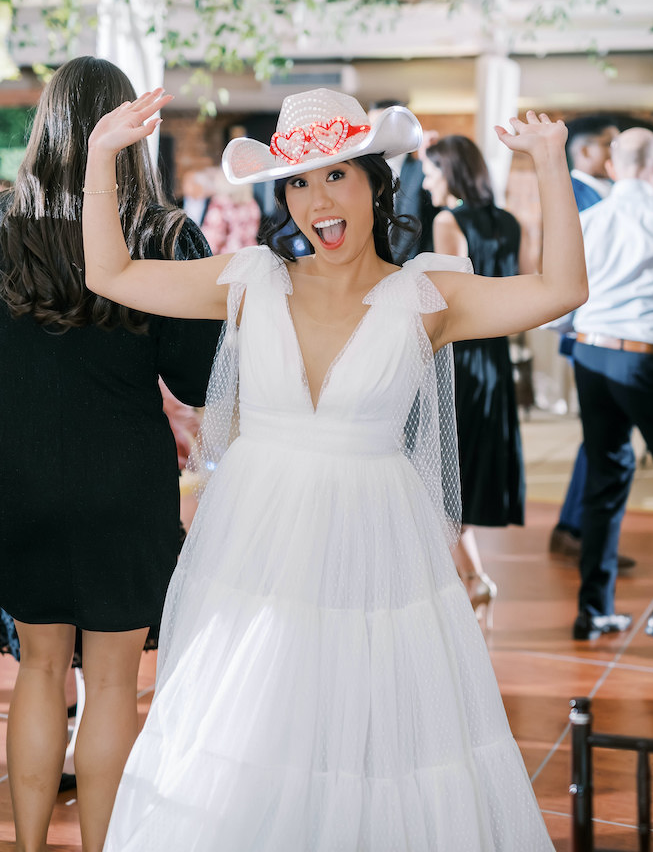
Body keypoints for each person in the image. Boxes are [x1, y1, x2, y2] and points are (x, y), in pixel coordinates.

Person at [82, 86, 585, 850]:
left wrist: (551, 161)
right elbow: (110, 274)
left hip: (375, 548)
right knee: (253, 732)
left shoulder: (428, 294)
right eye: (298, 181)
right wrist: (99, 156)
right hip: (256, 545)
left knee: (373, 739)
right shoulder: (250, 280)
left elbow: (561, 291)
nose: (316, 198)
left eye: (335, 175)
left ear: (375, 183)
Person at [0, 56, 221, 852]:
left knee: (38, 669)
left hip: (18, 475)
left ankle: (26, 846)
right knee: (113, 686)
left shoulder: (1, 223)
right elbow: (194, 377)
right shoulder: (162, 232)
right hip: (122, 479)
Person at [421, 135, 525, 627]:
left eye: (431, 171)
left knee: (440, 471)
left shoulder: (447, 221)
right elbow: (519, 287)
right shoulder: (509, 222)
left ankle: (468, 581)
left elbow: (450, 297)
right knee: (460, 469)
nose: (425, 181)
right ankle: (473, 579)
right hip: (497, 356)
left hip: (460, 357)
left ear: (451, 173)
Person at [570, 127, 653, 640]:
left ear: (611, 166)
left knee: (604, 479)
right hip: (645, 358)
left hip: (590, 351)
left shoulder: (589, 218)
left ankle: (594, 609)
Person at [548, 115, 627, 564]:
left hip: (604, 331)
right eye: (607, 145)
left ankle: (578, 526)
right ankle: (576, 526)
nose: (613, 154)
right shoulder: (578, 198)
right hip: (590, 330)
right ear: (583, 153)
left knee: (600, 436)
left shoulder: (605, 195)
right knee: (600, 437)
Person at [368, 98, 436, 263]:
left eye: (379, 126)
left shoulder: (423, 171)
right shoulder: (366, 174)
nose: (372, 134)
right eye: (370, 127)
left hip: (418, 266)